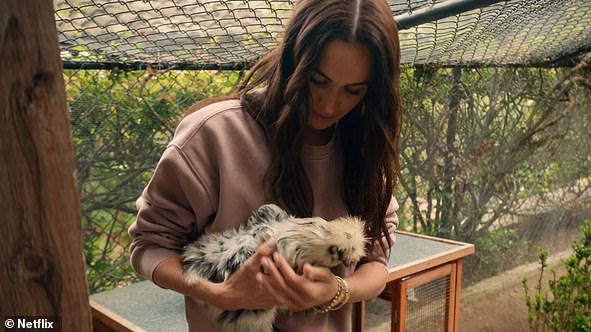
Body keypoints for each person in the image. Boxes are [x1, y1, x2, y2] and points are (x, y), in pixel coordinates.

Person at [128, 0, 402, 330]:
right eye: (317, 80)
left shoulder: (365, 148)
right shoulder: (214, 135)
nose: (330, 104)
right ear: (292, 61)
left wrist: (337, 291)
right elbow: (149, 247)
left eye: (353, 91)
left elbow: (376, 264)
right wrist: (219, 293)